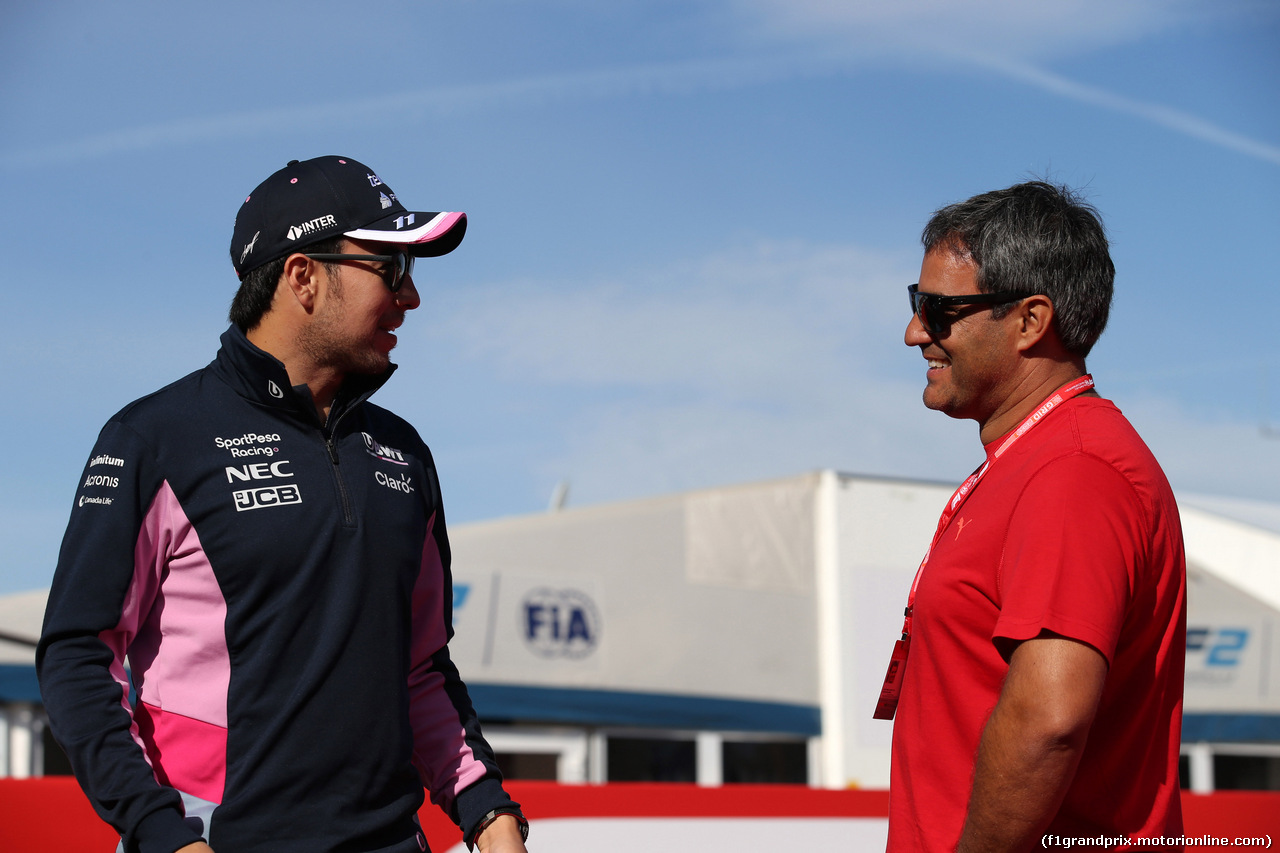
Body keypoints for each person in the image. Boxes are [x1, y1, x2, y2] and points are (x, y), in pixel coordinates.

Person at [37, 156, 530, 853]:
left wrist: (488, 811)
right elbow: (78, 658)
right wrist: (161, 833)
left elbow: (420, 668)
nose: (410, 297)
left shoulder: (404, 455)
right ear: (302, 277)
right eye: (392, 268)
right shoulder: (153, 438)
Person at [879, 181, 1186, 852]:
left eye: (938, 309)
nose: (914, 332)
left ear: (1029, 320)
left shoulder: (1073, 472)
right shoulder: (1035, 462)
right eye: (916, 303)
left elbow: (1051, 720)